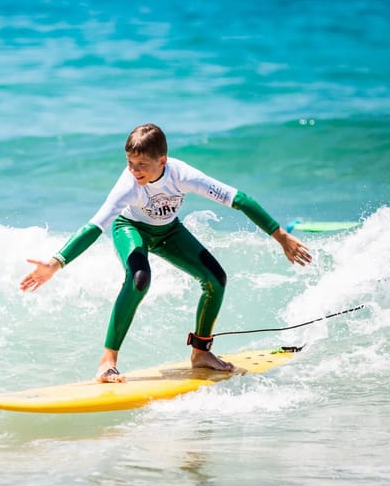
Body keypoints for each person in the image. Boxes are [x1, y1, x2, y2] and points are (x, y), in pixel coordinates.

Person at [20, 123, 312, 382]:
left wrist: (281, 236)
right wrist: (57, 262)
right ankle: (107, 361)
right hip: (130, 228)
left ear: (162, 161)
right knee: (139, 278)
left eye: (141, 165)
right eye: (130, 163)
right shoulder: (127, 185)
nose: (134, 171)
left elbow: (239, 199)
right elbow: (96, 225)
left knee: (216, 280)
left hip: (169, 231)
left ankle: (201, 353)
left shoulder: (182, 174)